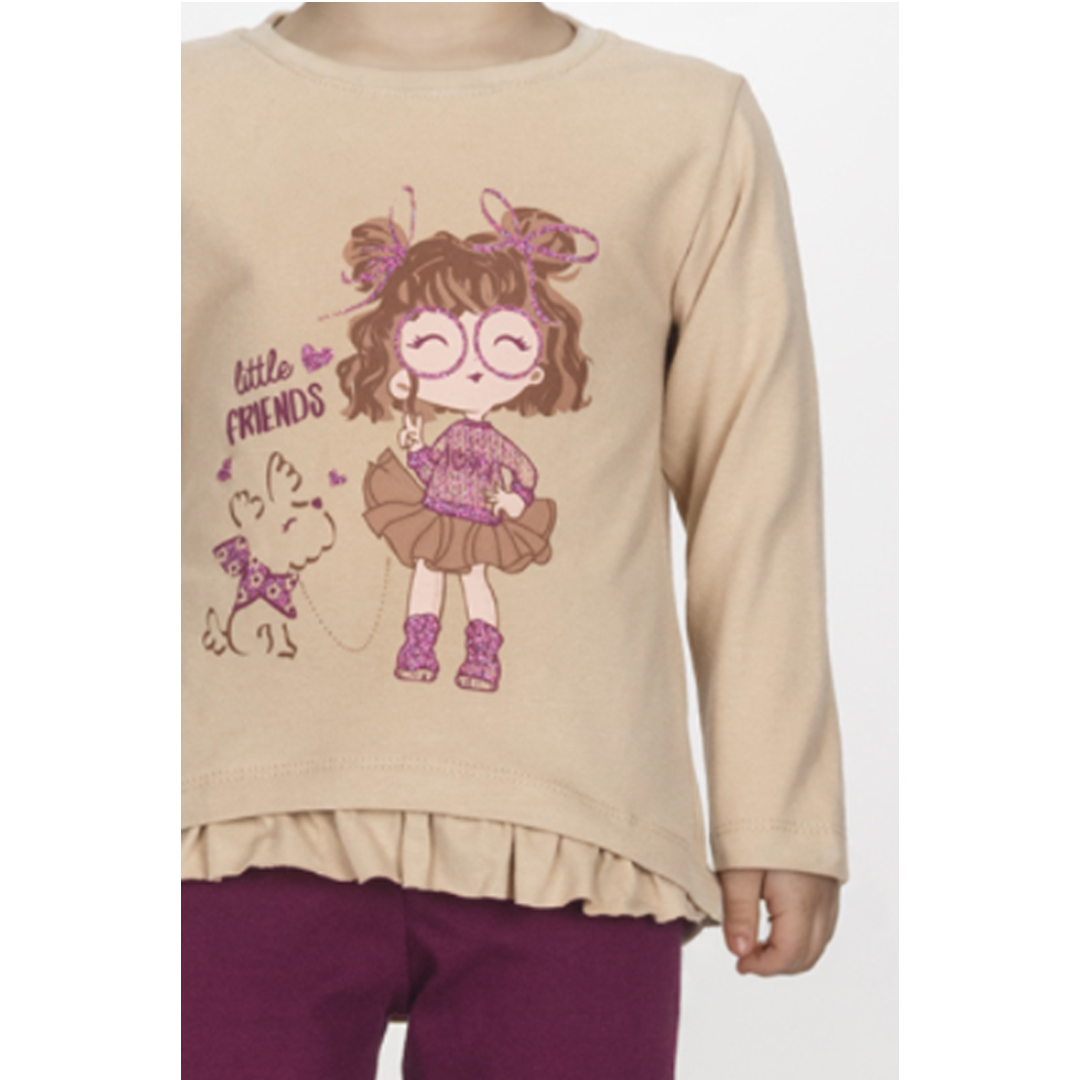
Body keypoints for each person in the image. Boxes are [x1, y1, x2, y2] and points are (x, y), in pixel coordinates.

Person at [181, 4, 846, 1078]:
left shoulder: (686, 124)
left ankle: (466, 645)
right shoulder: (198, 110)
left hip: (582, 830)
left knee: (467, 586)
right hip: (228, 820)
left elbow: (753, 483)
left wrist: (779, 811)